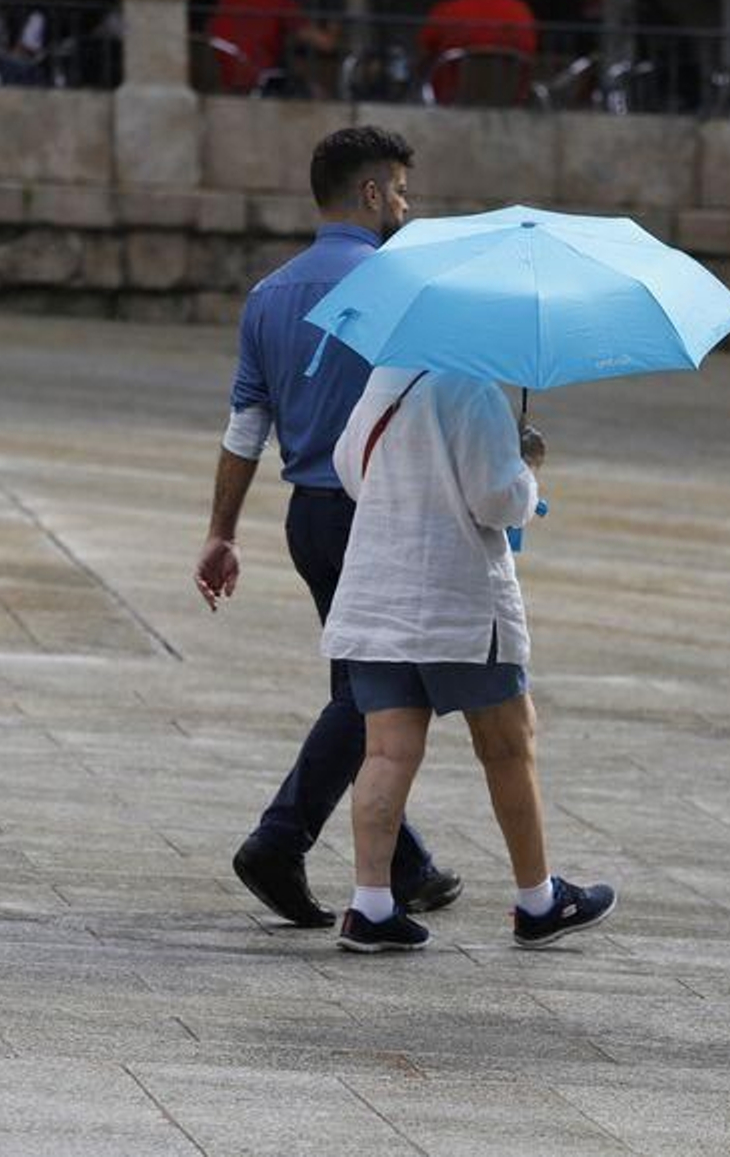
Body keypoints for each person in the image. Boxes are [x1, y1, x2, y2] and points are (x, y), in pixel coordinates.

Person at [194, 126, 462, 930]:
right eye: (400, 192)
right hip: (379, 515)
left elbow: (246, 426)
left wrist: (221, 532)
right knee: (378, 689)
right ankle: (278, 841)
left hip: (307, 518)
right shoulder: (401, 288)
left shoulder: (268, 294)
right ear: (372, 193)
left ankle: (406, 863)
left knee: (361, 684)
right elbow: (439, 408)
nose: (406, 206)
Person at [322, 366, 615, 953]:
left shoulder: (387, 376)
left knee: (385, 752)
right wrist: (526, 467)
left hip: (380, 594)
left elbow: (348, 469)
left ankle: (371, 905)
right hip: (458, 603)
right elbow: (497, 500)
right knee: (508, 745)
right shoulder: (473, 389)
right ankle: (538, 900)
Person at [418, 0, 538, 105]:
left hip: (452, 104)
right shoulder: (522, 12)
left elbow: (424, 57)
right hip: (508, 105)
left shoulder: (445, 11)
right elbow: (530, 56)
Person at [208, 0, 335, 94]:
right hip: (263, 79)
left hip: (229, 78)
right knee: (317, 92)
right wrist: (333, 26)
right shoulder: (279, 2)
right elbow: (326, 44)